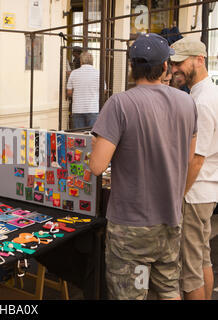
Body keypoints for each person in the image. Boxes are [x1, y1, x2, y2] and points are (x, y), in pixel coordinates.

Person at [90, 33, 198, 300]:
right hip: (170, 220)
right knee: (169, 289)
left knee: (131, 294)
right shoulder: (187, 102)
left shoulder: (120, 103)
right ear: (164, 67)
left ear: (131, 67)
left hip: (131, 227)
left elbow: (97, 165)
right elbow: (189, 159)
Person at [170, 37, 218, 300]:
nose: (175, 68)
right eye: (173, 62)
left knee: (190, 271)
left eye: (180, 62)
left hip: (195, 193)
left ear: (200, 60)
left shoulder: (202, 101)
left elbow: (197, 159)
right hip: (204, 191)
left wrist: (179, 196)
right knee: (201, 261)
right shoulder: (203, 94)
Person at [66, 51, 103, 129]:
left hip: (77, 109)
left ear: (81, 61)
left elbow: (69, 92)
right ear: (92, 61)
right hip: (93, 108)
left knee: (79, 136)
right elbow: (104, 90)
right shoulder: (98, 73)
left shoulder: (74, 73)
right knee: (92, 136)